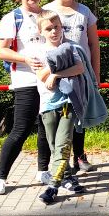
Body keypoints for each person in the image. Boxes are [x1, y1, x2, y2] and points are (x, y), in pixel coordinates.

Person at [0, 0, 50, 195]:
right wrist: (25, 58)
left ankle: (43, 170)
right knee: (21, 129)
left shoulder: (49, 15)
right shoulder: (12, 18)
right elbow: (0, 50)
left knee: (46, 126)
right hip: (25, 79)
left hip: (49, 79)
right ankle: (0, 177)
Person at [43, 0, 100, 174]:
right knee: (52, 118)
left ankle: (79, 155)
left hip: (79, 71)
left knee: (78, 114)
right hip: (53, 74)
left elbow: (94, 44)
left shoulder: (84, 12)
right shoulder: (47, 10)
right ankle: (54, 163)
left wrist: (96, 73)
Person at [34, 11, 87, 205]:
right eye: (48, 28)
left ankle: (53, 187)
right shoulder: (37, 51)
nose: (54, 31)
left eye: (57, 27)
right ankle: (67, 177)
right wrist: (56, 62)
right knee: (55, 147)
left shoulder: (70, 47)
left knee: (63, 144)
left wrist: (55, 75)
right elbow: (40, 75)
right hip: (47, 104)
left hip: (67, 102)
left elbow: (79, 68)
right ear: (41, 31)